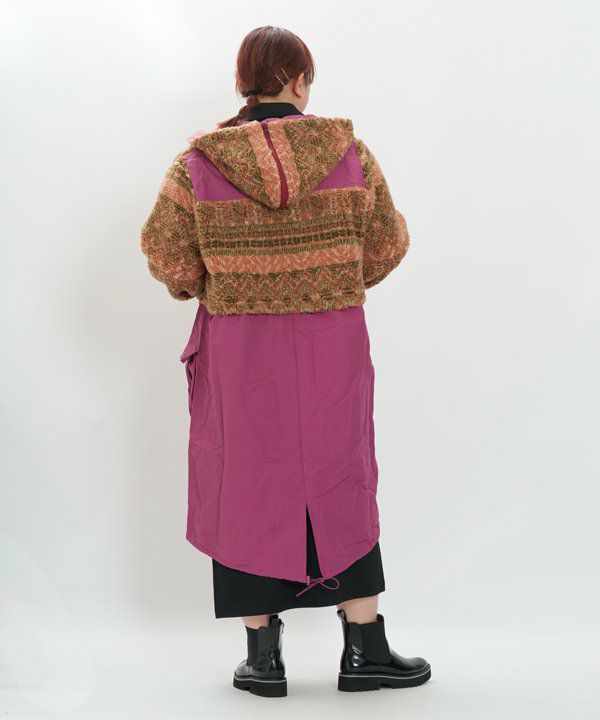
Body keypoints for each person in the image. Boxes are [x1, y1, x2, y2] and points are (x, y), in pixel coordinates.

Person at [140, 25, 431, 698]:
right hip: (333, 342)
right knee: (341, 473)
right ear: (300, 80)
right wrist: (332, 275)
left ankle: (263, 659)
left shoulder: (198, 164)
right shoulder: (349, 152)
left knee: (244, 479)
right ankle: (364, 649)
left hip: (241, 348)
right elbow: (387, 243)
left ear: (242, 82)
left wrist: (222, 284)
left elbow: (165, 253)